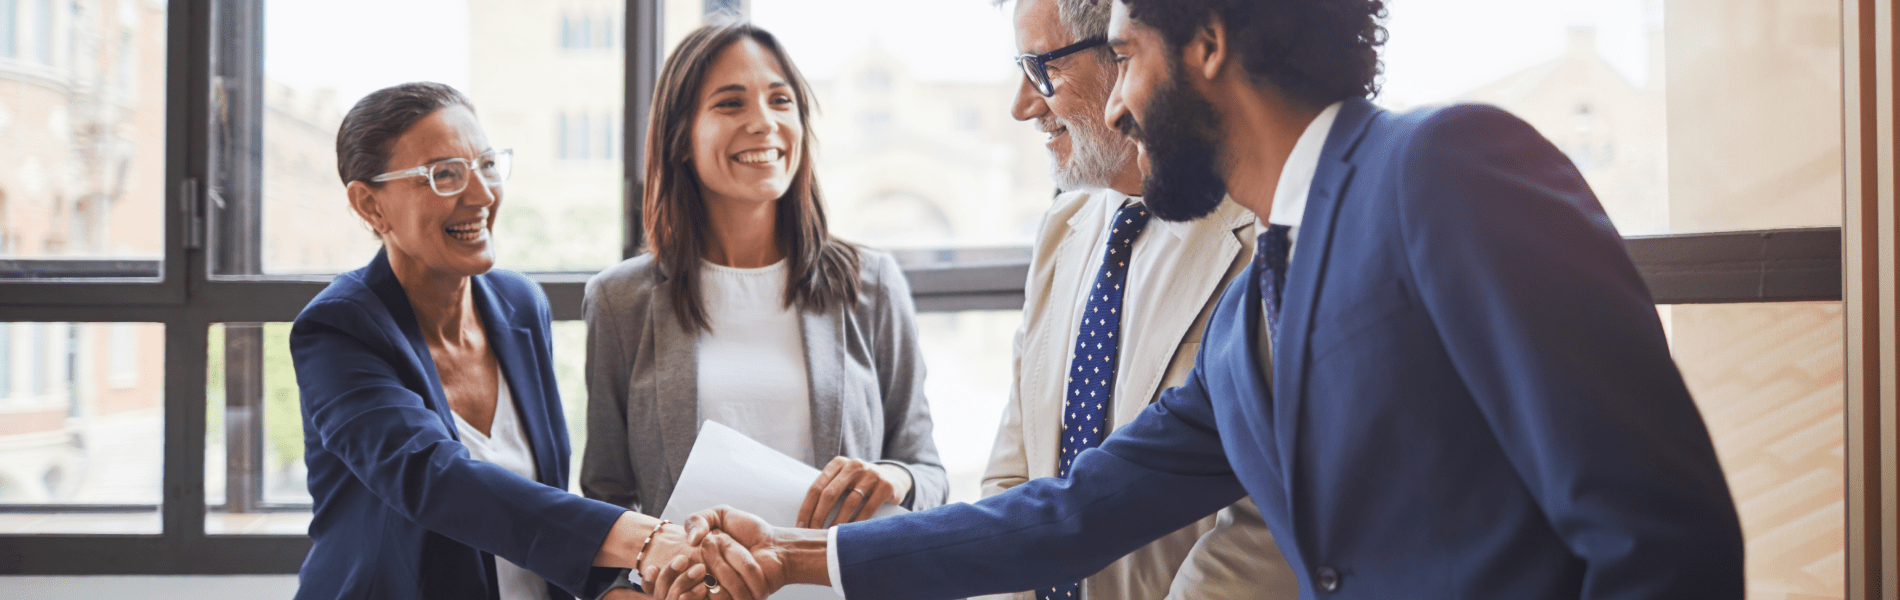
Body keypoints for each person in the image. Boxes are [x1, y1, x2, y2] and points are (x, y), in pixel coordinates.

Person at [660, 0, 1747, 599]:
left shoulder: (1446, 166)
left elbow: (1662, 538)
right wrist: (794, 557)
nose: (1119, 103)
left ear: (1208, 45)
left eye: (1125, 56)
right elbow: (1070, 514)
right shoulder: (1250, 320)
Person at [290, 82, 693, 600]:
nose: (480, 195)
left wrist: (612, 590)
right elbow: (435, 480)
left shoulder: (520, 305)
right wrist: (646, 538)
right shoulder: (339, 330)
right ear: (370, 205)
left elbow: (538, 499)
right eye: (445, 175)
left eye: (485, 165)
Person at [578, 20, 947, 573]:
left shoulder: (870, 284)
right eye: (730, 104)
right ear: (681, 136)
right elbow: (606, 497)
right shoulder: (620, 301)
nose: (764, 123)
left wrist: (894, 477)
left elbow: (930, 474)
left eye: (781, 100)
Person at [979, 0, 1292, 599]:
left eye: (1040, 68)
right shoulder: (1062, 227)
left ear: (1127, 55)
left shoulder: (1265, 235)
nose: (1022, 106)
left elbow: (1267, 516)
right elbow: (1014, 467)